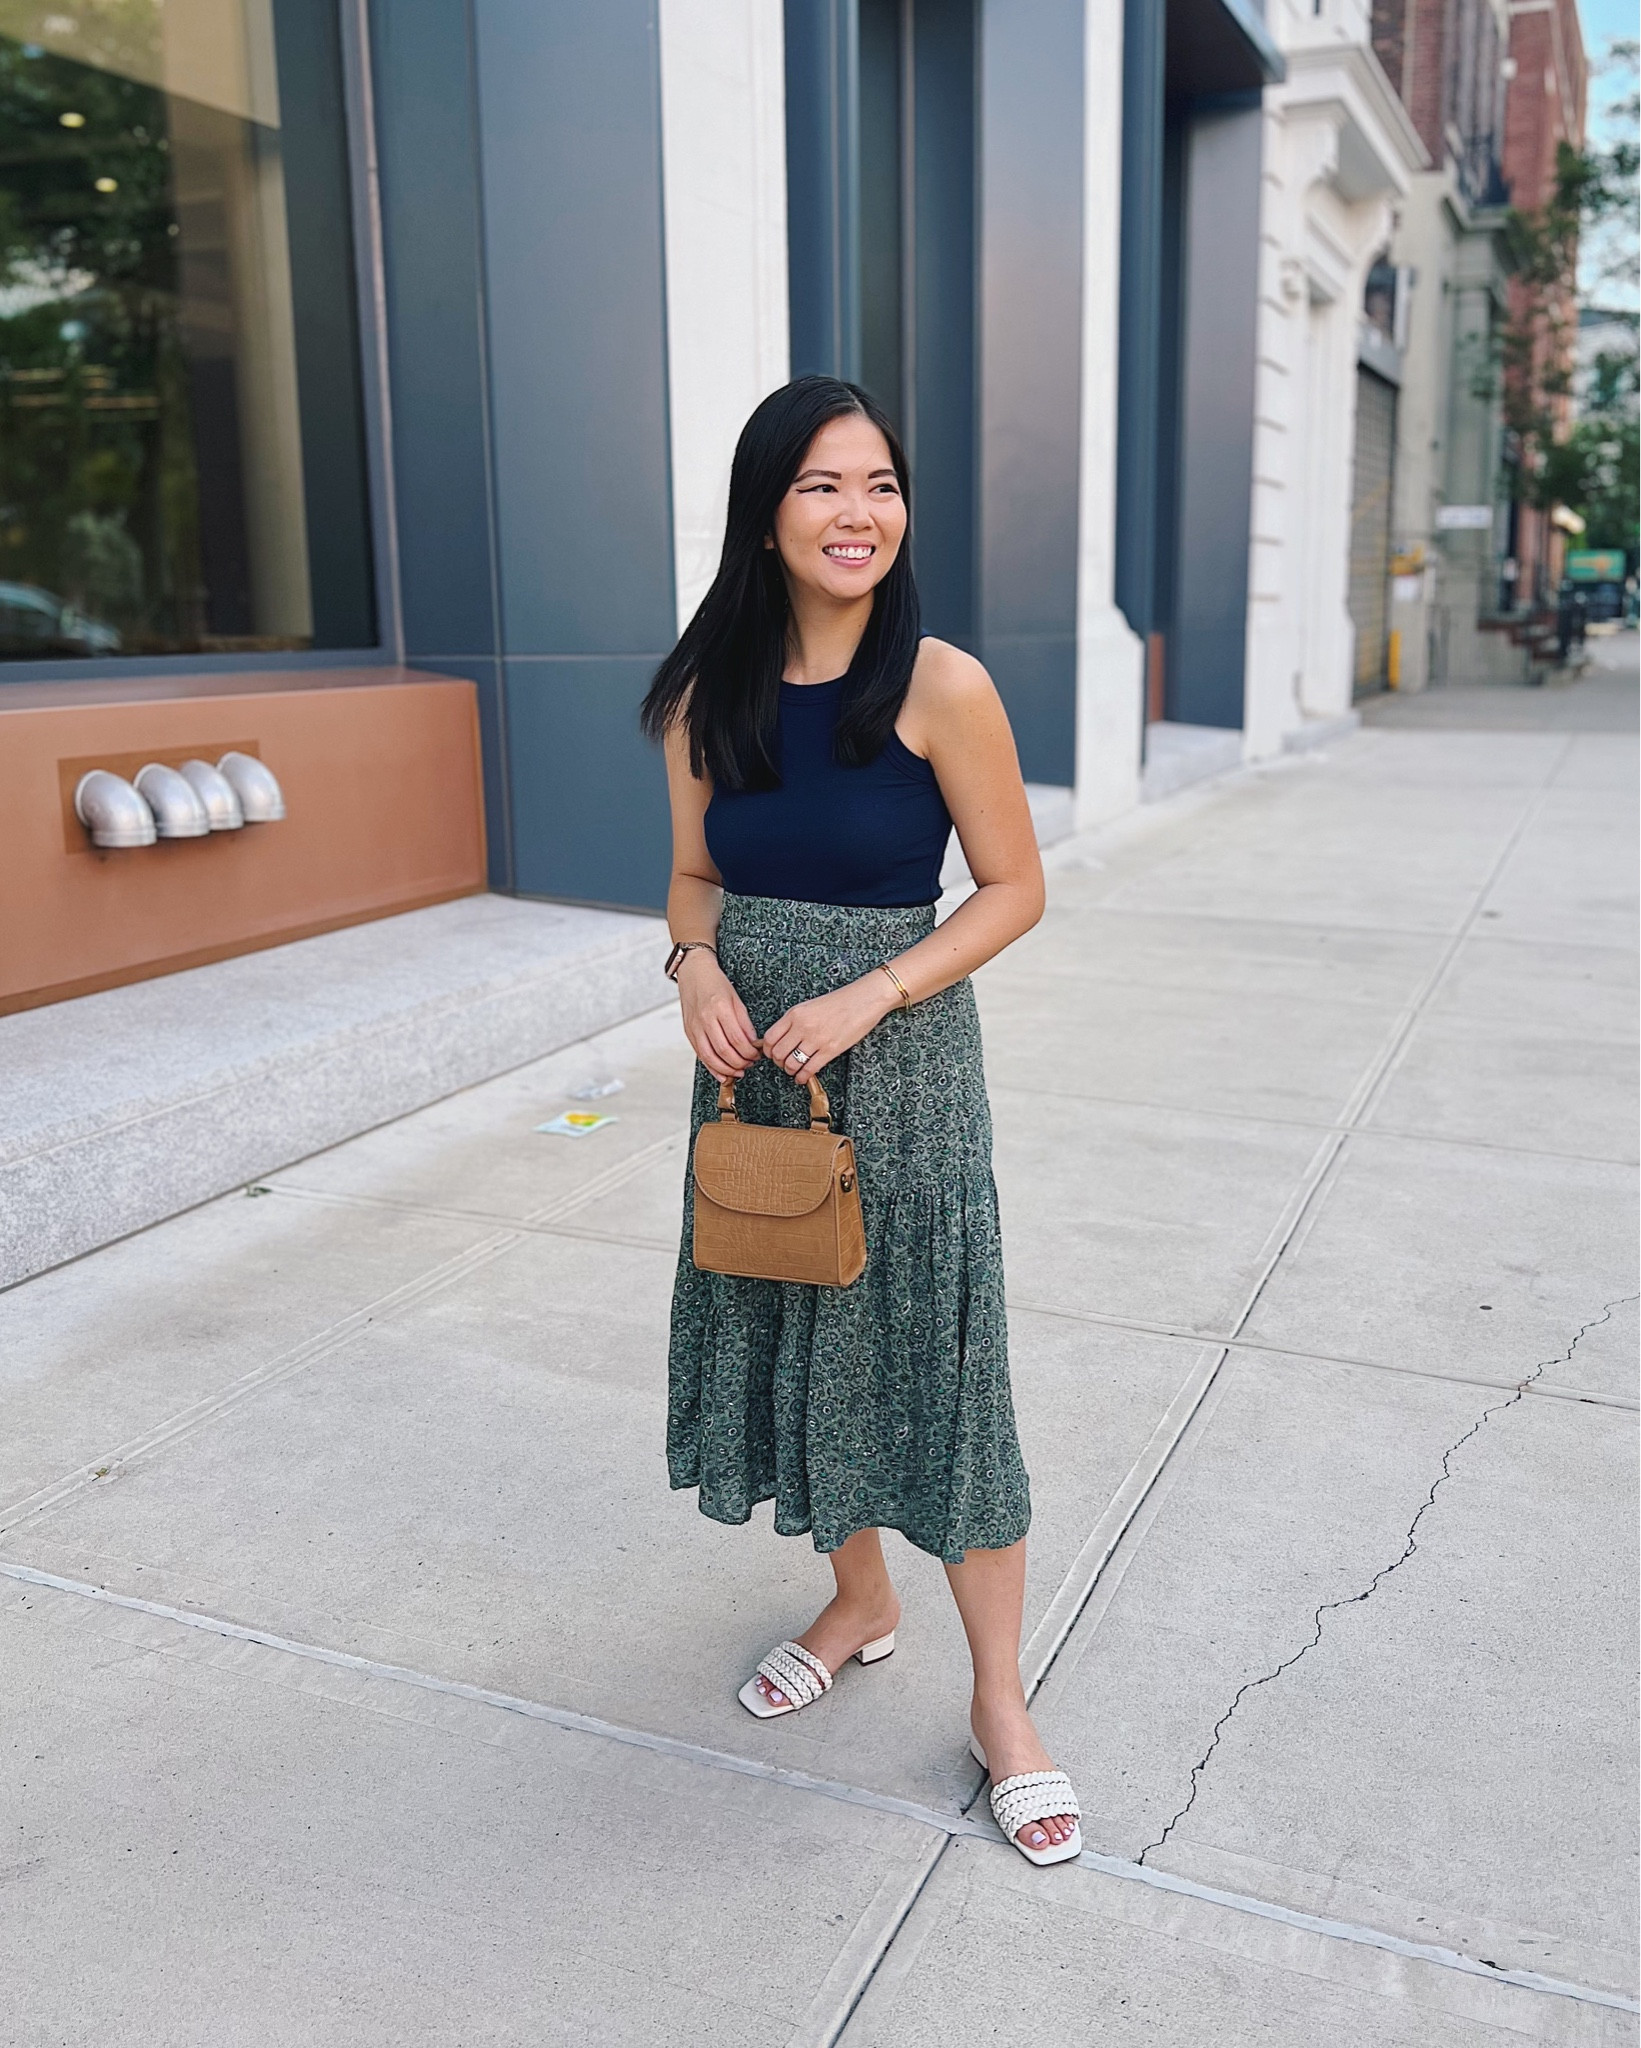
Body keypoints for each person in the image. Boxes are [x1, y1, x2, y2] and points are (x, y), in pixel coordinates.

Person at [640, 375, 1081, 1864]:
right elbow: (694, 878)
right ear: (766, 515)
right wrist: (693, 965)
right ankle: (857, 1599)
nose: (858, 513)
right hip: (751, 1074)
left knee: (939, 1367)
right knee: (801, 1336)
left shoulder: (939, 683)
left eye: (881, 484)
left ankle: (1002, 1706)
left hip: (900, 1075)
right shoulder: (706, 694)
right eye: (824, 485)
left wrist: (874, 991)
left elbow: (1015, 889)